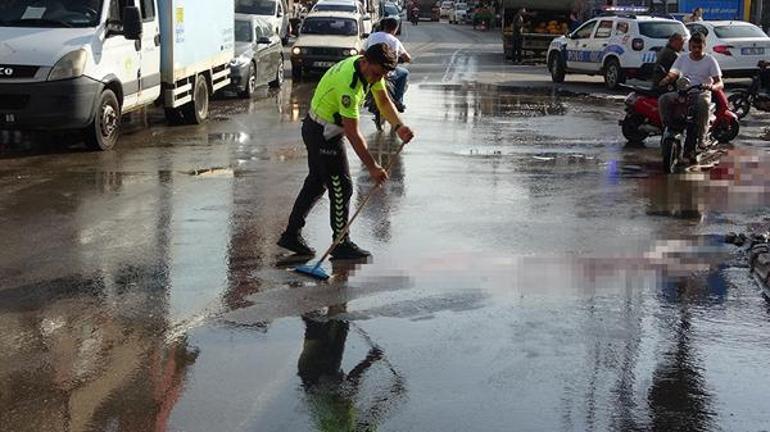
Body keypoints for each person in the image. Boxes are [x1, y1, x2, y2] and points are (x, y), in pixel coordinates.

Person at [278, 44, 415, 259]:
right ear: (365, 60)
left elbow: (383, 100)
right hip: (323, 133)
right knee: (342, 185)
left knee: (316, 183)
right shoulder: (349, 84)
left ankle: (291, 235)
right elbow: (352, 132)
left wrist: (399, 126)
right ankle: (341, 243)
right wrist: (373, 167)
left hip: (323, 129)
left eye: (381, 75)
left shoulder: (370, 71)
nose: (375, 78)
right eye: (375, 73)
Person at [658, 32, 723, 162]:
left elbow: (719, 82)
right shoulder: (682, 58)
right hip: (683, 91)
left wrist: (711, 87)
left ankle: (701, 138)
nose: (696, 50)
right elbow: (673, 73)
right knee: (664, 99)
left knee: (702, 103)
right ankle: (666, 128)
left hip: (701, 93)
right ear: (689, 46)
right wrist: (665, 80)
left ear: (704, 46)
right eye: (694, 47)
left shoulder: (710, 60)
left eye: (699, 47)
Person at [365, 17, 412, 112]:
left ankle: (365, 98)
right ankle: (398, 101)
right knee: (404, 73)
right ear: (395, 28)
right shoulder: (394, 40)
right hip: (387, 72)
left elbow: (361, 52)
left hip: (370, 69)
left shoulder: (372, 36)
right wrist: (407, 60)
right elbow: (407, 58)